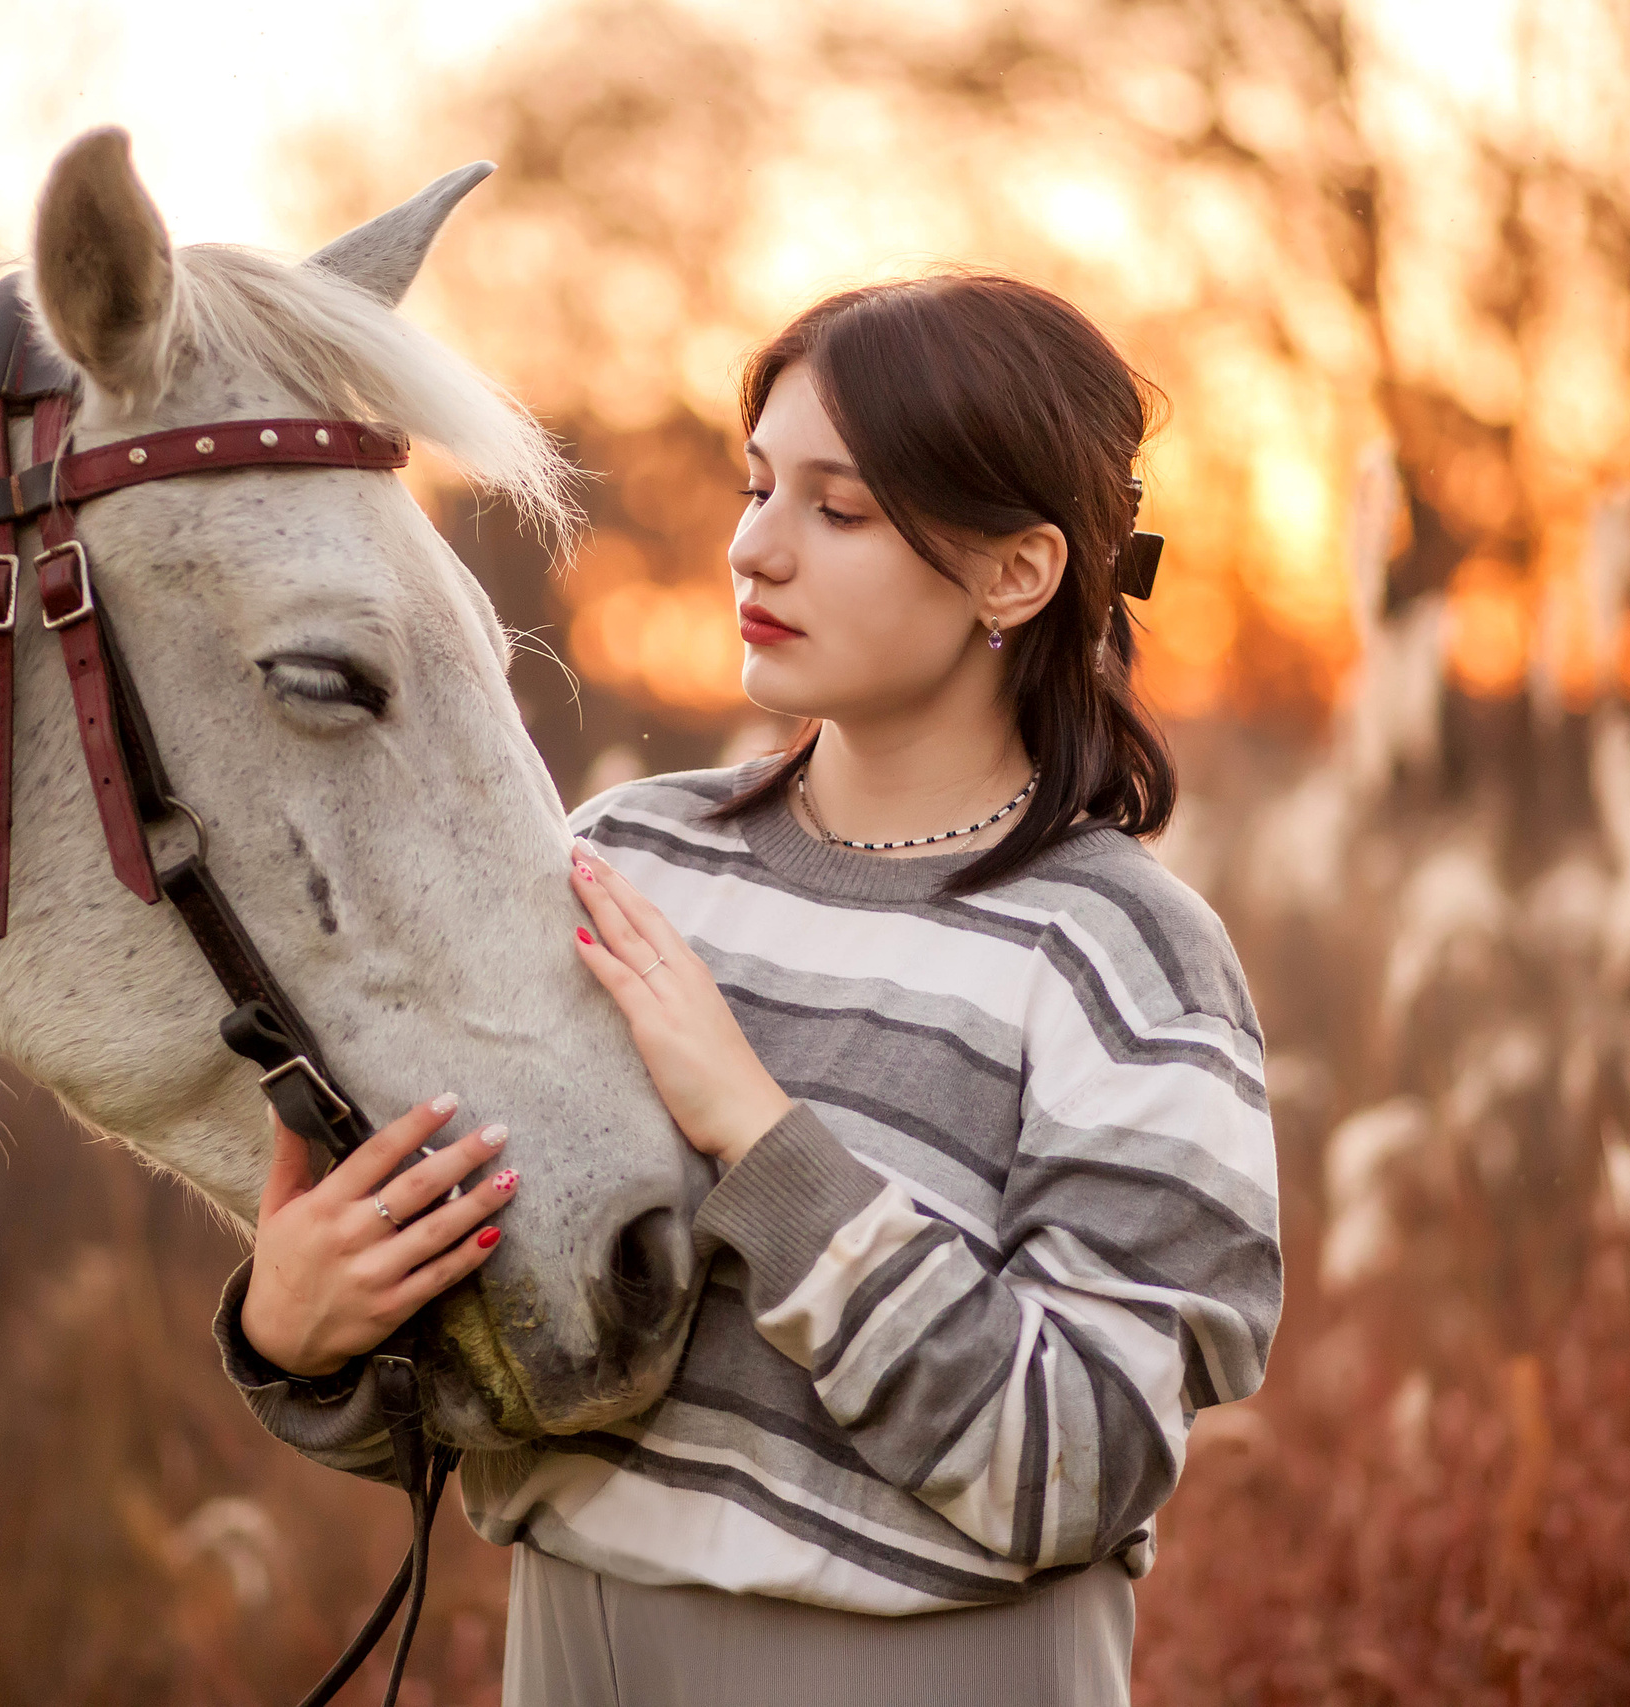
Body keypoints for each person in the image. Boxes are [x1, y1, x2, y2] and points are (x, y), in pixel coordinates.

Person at [214, 271, 1282, 1707]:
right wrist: (300, 1338)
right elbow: (489, 1363)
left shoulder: (1124, 955)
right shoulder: (616, 863)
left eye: (839, 511)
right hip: (574, 1661)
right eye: (759, 486)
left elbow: (1075, 1465)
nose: (754, 549)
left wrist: (760, 1139)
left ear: (1017, 574)